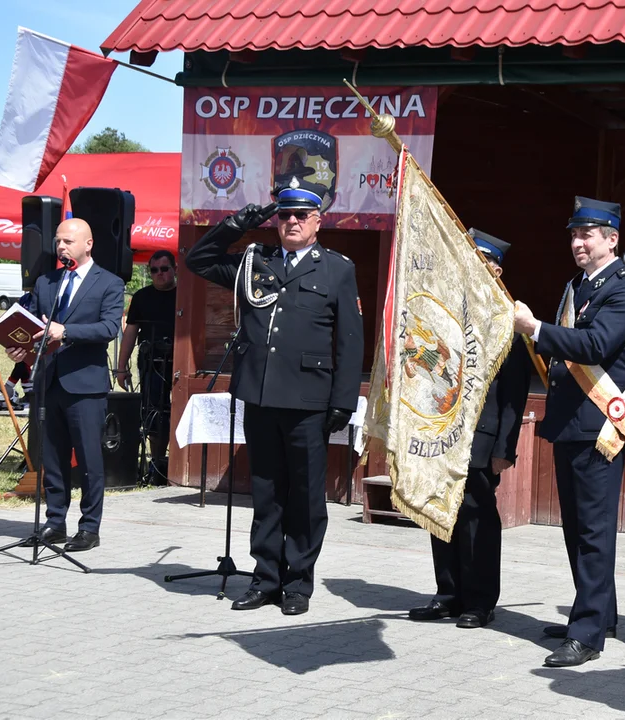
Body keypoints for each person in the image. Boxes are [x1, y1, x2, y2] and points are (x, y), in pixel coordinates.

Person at [185, 176, 364, 616]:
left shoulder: (337, 268)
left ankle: (298, 584)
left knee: (304, 497)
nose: (292, 222)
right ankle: (265, 579)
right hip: (261, 396)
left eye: (301, 215)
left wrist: (342, 400)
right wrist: (242, 220)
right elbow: (199, 260)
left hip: (308, 401)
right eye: (284, 215)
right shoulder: (254, 261)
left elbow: (350, 341)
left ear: (318, 221)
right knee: (265, 493)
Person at [514, 196, 625, 668]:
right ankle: (597, 613)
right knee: (576, 529)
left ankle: (588, 634)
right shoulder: (579, 285)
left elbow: (593, 345)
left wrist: (535, 328)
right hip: (571, 423)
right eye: (573, 234)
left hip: (599, 428)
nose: (577, 243)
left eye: (587, 235)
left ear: (612, 239)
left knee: (594, 532)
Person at [408, 229, 533, 629]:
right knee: (439, 509)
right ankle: (448, 594)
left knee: (477, 517)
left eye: (482, 261)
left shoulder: (508, 319)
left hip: (481, 438)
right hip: (444, 430)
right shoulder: (447, 312)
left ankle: (479, 602)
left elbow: (514, 393)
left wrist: (505, 447)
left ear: (496, 270)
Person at [5, 218, 125, 552]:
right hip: (49, 381)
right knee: (53, 458)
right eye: (58, 241)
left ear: (88, 244)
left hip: (85, 385)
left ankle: (89, 528)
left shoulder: (109, 283)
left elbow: (109, 328)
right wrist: (20, 347)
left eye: (68, 241)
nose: (61, 247)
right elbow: (35, 330)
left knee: (88, 459)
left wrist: (66, 331)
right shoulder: (47, 282)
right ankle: (54, 522)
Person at [117, 250, 177, 482]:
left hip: (180, 362)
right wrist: (122, 367)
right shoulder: (141, 296)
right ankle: (158, 463)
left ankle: (179, 462)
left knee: (179, 411)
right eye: (154, 270)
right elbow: (130, 332)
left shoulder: (185, 294)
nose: (159, 274)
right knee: (153, 412)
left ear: (174, 269)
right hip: (151, 361)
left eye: (164, 269)